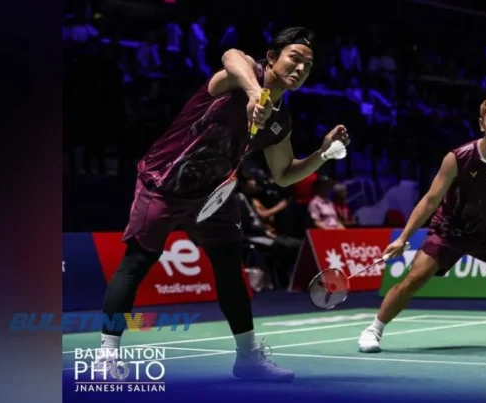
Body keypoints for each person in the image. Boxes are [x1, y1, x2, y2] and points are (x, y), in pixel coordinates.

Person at [98, 26, 350, 382]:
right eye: (295, 58)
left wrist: (322, 154)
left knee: (231, 270)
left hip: (215, 194)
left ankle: (247, 358)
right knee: (137, 263)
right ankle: (108, 354)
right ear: (271, 57)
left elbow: (284, 175)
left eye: (308, 66)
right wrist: (255, 95)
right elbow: (231, 55)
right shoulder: (239, 78)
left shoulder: (280, 122)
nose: (300, 68)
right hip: (164, 182)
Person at [357, 96, 486, 353]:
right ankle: (374, 329)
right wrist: (403, 238)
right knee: (415, 278)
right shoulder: (459, 158)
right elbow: (430, 199)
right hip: (450, 229)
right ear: (481, 124)